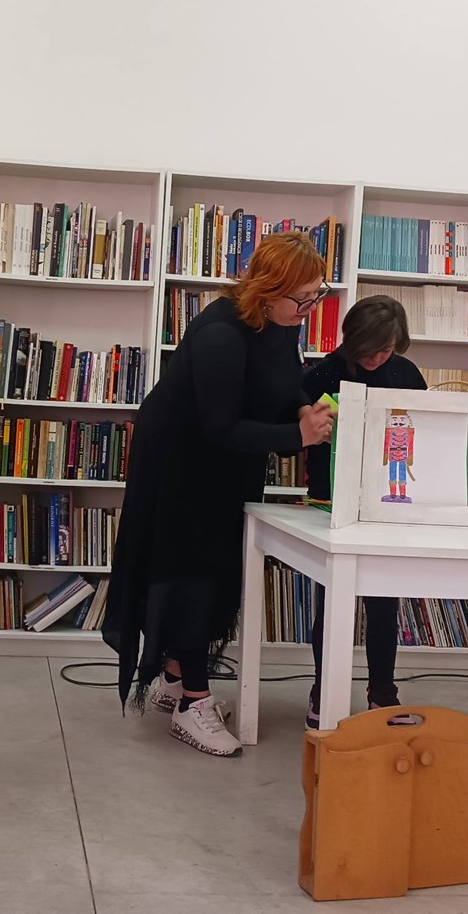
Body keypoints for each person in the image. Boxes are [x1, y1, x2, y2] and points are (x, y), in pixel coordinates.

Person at [102, 231, 335, 757]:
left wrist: (302, 407)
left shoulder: (280, 322)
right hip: (182, 464)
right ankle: (193, 702)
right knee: (194, 574)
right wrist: (297, 436)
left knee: (221, 567)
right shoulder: (220, 335)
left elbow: (282, 381)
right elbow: (219, 427)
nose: (309, 309)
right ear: (268, 290)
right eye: (302, 299)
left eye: (316, 296)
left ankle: (174, 678)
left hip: (228, 463)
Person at [301, 295, 427, 729]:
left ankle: (383, 692)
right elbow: (292, 437)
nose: (376, 359)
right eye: (368, 350)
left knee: (385, 601)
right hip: (330, 502)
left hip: (386, 503)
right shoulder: (323, 373)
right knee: (331, 602)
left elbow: (424, 432)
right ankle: (323, 688)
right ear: (351, 340)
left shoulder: (406, 374)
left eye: (386, 350)